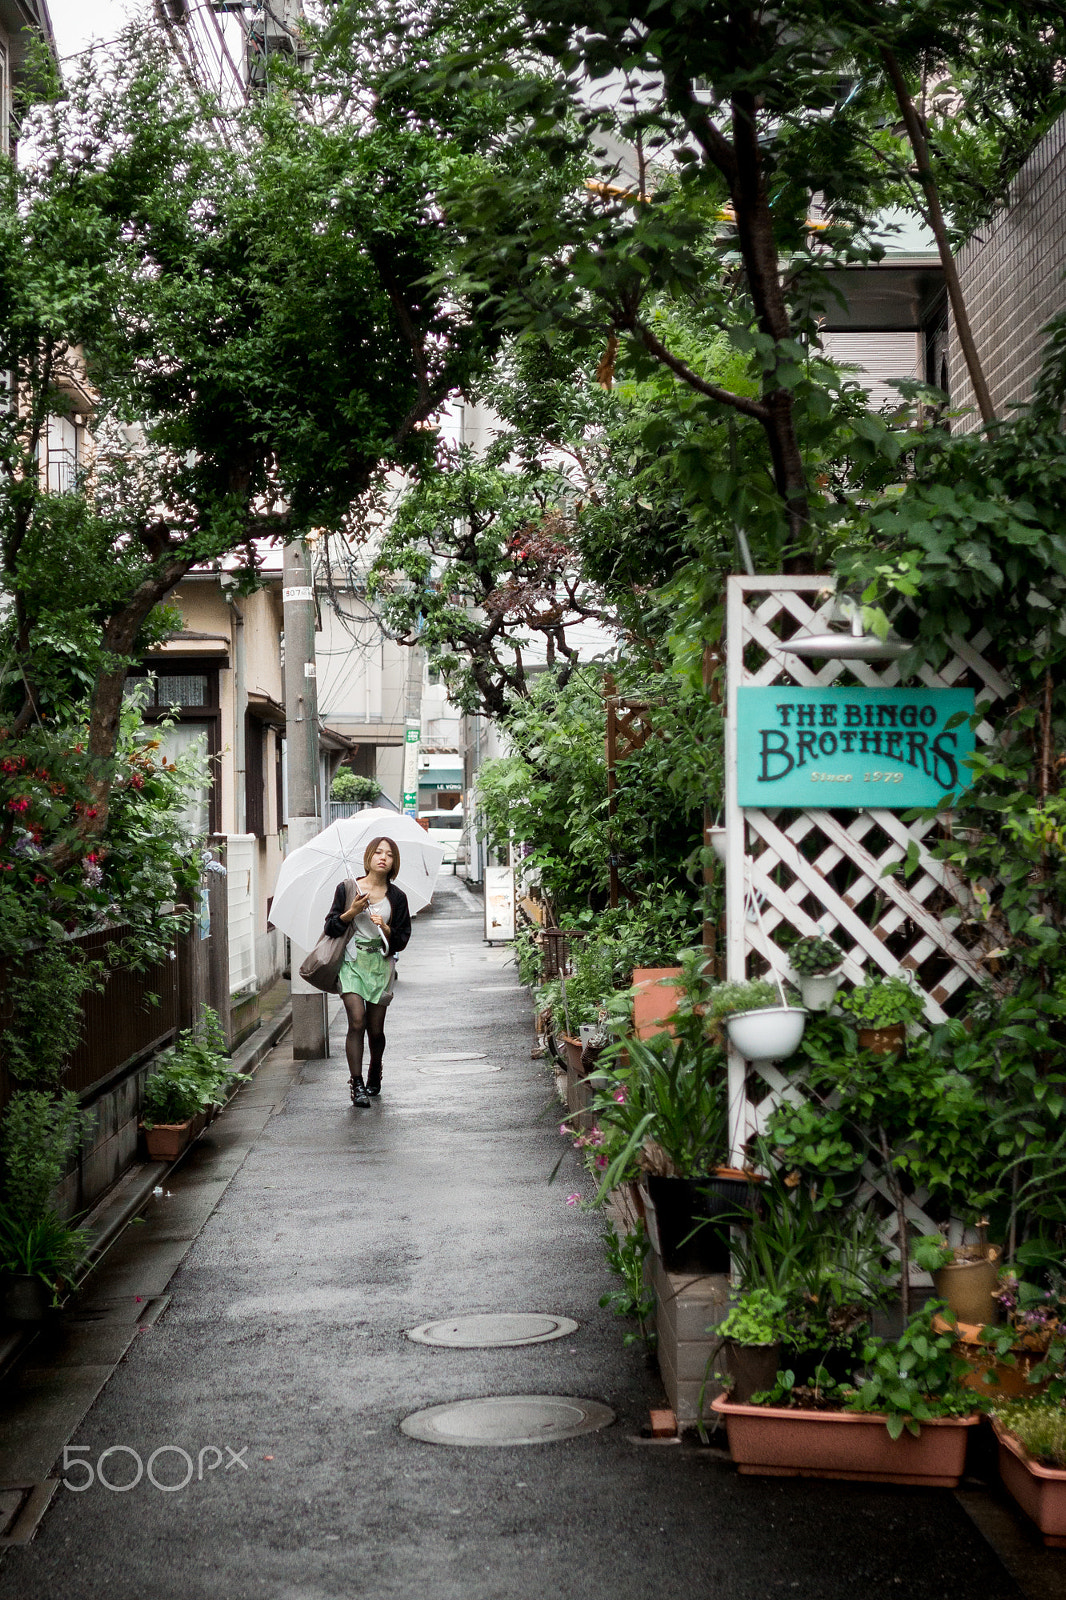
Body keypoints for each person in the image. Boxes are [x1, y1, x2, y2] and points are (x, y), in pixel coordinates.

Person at [323, 836, 411, 1108]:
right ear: (369, 857)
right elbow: (331, 927)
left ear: (394, 862)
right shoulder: (348, 889)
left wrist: (385, 928)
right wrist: (352, 911)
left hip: (380, 965)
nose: (383, 857)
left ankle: (375, 1067)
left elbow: (402, 939)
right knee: (357, 1021)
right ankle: (357, 1083)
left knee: (375, 1029)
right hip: (352, 961)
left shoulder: (397, 897)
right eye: (378, 852)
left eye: (390, 854)